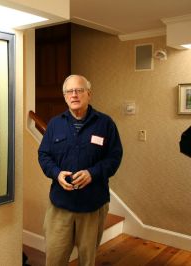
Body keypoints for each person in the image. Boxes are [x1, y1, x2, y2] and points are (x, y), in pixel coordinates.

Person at [38, 75, 123, 266]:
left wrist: (92, 173)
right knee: (54, 259)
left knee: (87, 261)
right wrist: (56, 173)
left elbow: (114, 157)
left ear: (89, 94)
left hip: (92, 207)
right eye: (69, 91)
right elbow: (44, 155)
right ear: (64, 96)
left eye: (79, 90)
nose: (74, 95)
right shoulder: (54, 124)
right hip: (60, 206)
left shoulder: (105, 123)